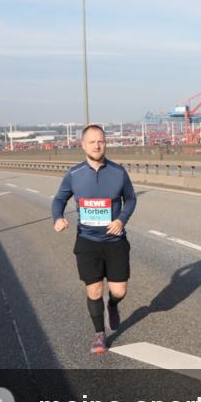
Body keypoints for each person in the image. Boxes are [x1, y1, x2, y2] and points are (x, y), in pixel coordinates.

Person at [52, 124, 137, 354]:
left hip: (115, 241)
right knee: (94, 290)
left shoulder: (118, 172)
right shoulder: (74, 174)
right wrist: (57, 217)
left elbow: (130, 199)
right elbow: (59, 199)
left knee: (119, 291)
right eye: (92, 142)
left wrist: (121, 219)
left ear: (105, 143)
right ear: (83, 145)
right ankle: (99, 335)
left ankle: (113, 304)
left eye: (101, 141)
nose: (97, 145)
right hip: (87, 241)